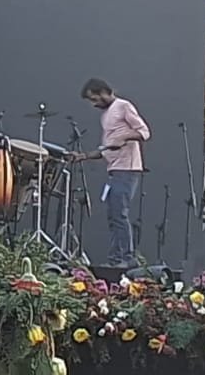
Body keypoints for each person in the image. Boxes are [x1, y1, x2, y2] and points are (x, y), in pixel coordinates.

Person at [71, 78, 152, 269]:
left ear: (104, 92)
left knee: (120, 215)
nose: (94, 104)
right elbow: (106, 148)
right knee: (113, 215)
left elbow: (145, 132)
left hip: (127, 169)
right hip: (114, 170)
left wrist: (124, 136)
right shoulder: (105, 116)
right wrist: (83, 156)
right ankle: (116, 259)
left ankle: (127, 257)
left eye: (95, 99)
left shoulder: (123, 106)